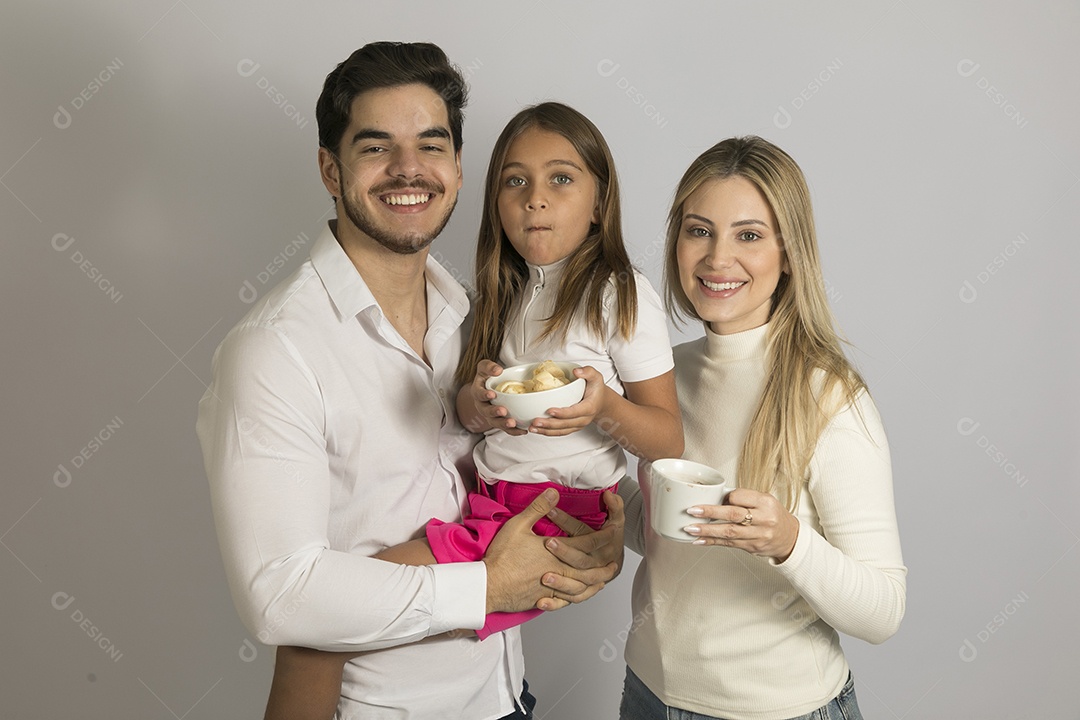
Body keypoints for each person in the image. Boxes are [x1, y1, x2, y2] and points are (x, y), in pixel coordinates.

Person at [196, 42, 622, 720]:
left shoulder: (476, 320)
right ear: (330, 171)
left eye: (432, 145)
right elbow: (280, 595)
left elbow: (515, 475)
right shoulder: (275, 350)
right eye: (375, 148)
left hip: (507, 696)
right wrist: (482, 586)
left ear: (455, 167)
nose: (408, 170)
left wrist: (592, 535)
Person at [262, 101, 683, 718]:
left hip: (555, 511)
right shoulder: (495, 293)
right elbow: (461, 408)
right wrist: (479, 403)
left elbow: (668, 438)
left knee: (321, 628)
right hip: (493, 498)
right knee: (338, 619)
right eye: (516, 181)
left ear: (599, 203)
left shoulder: (618, 294)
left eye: (561, 179)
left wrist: (602, 408)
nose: (535, 199)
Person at [616, 136, 907, 720]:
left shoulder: (829, 397)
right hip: (649, 692)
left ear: (790, 252)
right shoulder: (666, 375)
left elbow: (884, 612)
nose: (717, 258)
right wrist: (588, 478)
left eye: (748, 235)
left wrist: (789, 542)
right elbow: (667, 533)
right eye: (699, 230)